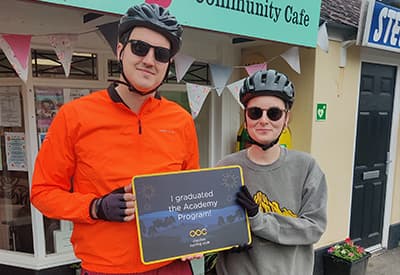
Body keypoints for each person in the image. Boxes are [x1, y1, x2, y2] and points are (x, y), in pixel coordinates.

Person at [31, 3, 199, 275]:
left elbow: (190, 196)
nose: (148, 60)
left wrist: (202, 233)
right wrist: (95, 206)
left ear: (168, 63)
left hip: (173, 265)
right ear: (120, 50)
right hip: (106, 269)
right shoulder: (74, 115)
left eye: (161, 54)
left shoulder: (180, 120)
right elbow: (42, 193)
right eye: (140, 48)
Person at [214, 69, 327, 275]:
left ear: (286, 118)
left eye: (273, 113)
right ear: (245, 116)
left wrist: (258, 219)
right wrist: (221, 240)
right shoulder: (225, 167)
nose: (263, 120)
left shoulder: (307, 167)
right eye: (255, 112)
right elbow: (211, 225)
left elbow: (313, 228)